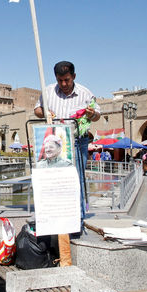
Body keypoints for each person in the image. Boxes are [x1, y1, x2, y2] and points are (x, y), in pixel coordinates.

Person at [34, 61, 100, 216]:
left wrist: (92, 114)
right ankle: (55, 217)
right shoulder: (48, 91)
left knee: (76, 179)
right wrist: (44, 113)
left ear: (74, 76)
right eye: (59, 80)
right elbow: (37, 109)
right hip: (55, 139)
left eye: (67, 80)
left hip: (77, 141)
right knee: (54, 179)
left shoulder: (85, 93)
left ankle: (77, 219)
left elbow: (97, 115)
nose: (63, 84)